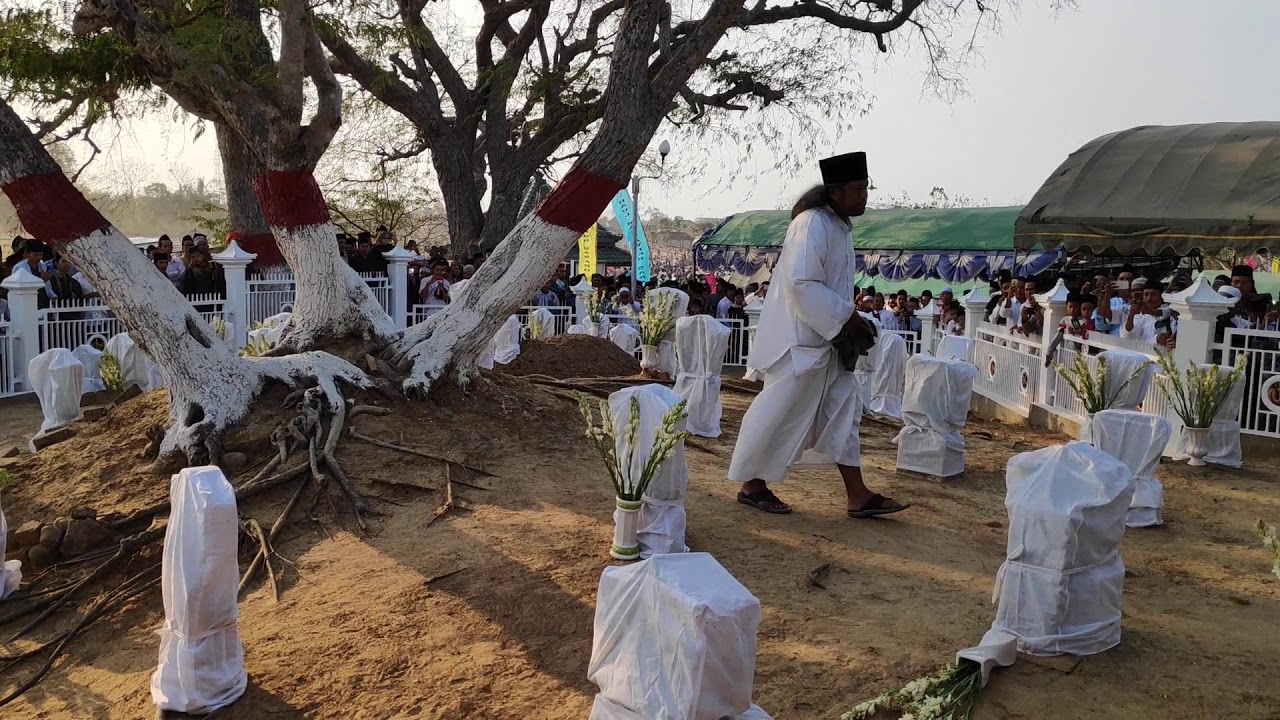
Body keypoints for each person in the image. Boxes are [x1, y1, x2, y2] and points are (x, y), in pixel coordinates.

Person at [727, 151, 909, 518]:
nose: (865, 196)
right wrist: (846, 318)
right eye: (858, 189)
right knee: (777, 413)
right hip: (800, 343)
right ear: (836, 191)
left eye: (865, 188)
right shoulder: (811, 224)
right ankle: (752, 484)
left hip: (827, 342)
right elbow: (801, 284)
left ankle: (857, 495)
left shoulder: (837, 226)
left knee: (843, 411)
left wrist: (846, 320)